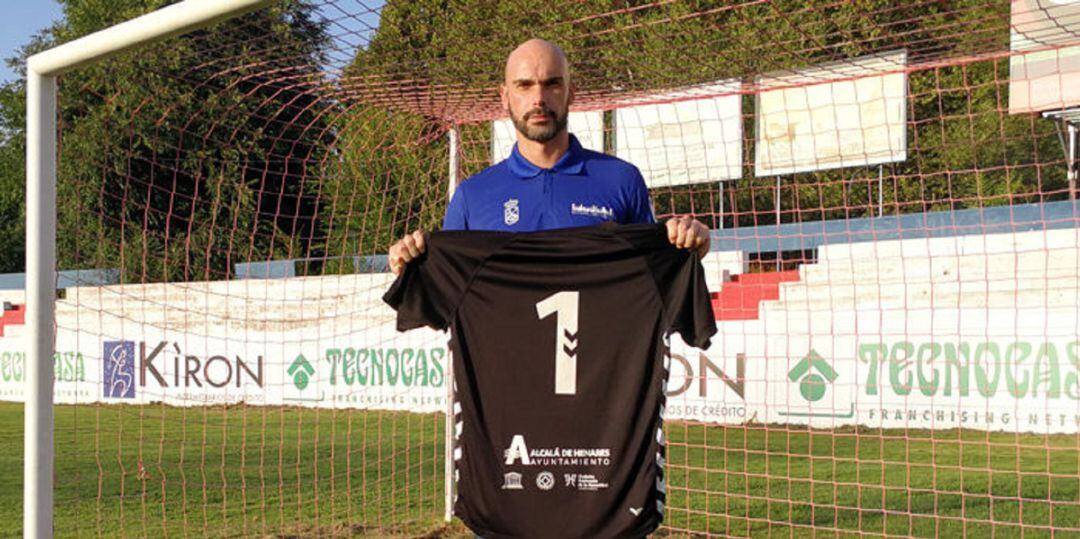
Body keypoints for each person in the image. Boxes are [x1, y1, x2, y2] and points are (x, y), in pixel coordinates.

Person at [388, 37, 710, 273]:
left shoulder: (622, 180)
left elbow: (651, 277)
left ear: (571, 92)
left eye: (552, 84)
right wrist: (411, 267)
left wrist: (690, 245)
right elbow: (449, 298)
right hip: (505, 366)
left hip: (599, 365)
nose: (539, 98)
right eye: (524, 85)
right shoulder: (472, 196)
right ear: (505, 97)